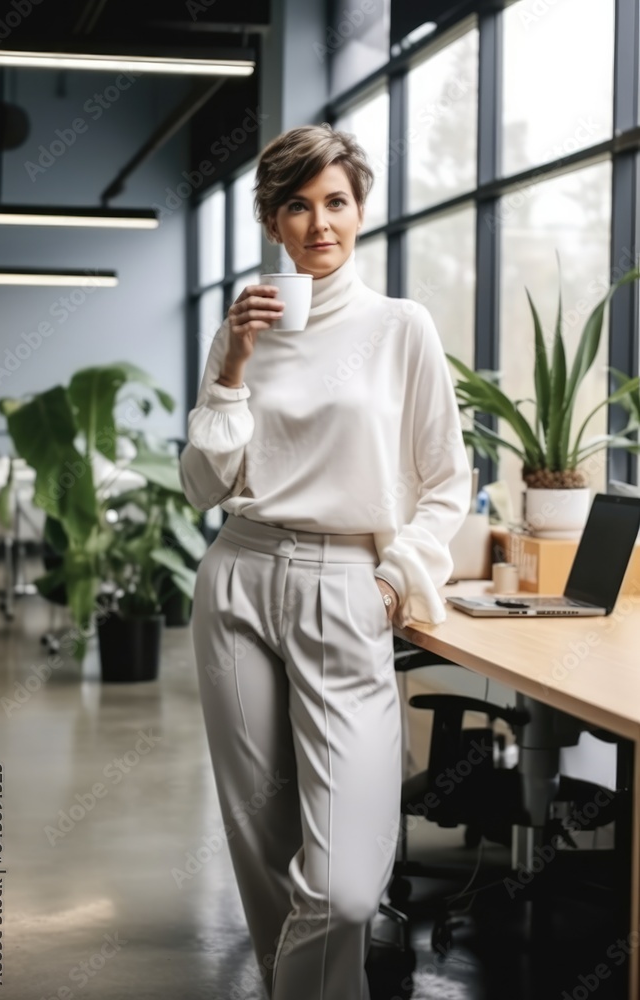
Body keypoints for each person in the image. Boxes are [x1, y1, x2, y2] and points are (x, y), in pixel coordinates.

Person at [179, 123, 471, 1000]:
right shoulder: (244, 328)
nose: (319, 224)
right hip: (237, 580)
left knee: (345, 887)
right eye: (297, 207)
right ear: (271, 220)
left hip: (347, 588)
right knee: (265, 846)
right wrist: (231, 363)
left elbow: (446, 483)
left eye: (335, 203)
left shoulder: (400, 327)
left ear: (360, 210)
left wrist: (391, 579)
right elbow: (201, 483)